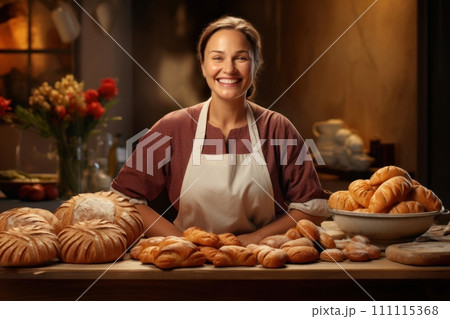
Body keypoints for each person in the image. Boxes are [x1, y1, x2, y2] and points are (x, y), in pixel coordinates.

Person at [111, 16, 330, 246]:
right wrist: (183, 240)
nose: (229, 69)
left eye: (241, 58)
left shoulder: (277, 128)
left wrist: (255, 238)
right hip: (186, 265)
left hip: (260, 262)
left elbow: (314, 208)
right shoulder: (171, 127)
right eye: (217, 58)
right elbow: (125, 199)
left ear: (256, 65)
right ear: (203, 66)